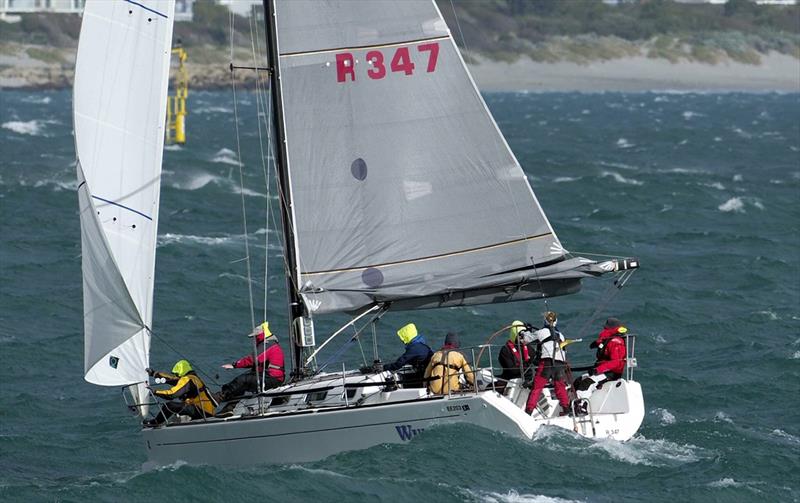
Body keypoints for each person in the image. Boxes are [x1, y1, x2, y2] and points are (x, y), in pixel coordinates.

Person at [219, 321, 285, 403]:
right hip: (271, 377)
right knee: (243, 380)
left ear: (260, 336)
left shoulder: (267, 345)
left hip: (273, 378)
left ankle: (220, 397)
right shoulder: (270, 344)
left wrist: (234, 365)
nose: (254, 339)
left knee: (243, 380)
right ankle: (231, 407)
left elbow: (253, 359)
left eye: (255, 337)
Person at [524, 311, 571, 416]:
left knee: (537, 387)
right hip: (560, 364)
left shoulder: (541, 332)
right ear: (556, 322)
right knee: (560, 387)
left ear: (545, 321)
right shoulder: (561, 336)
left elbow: (525, 340)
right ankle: (566, 409)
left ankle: (528, 411)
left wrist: (527, 330)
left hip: (547, 363)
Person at [144, 360, 217, 426]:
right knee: (179, 406)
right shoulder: (193, 378)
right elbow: (171, 379)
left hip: (201, 410)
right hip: (207, 411)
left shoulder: (186, 379)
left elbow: (172, 394)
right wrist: (154, 373)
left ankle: (155, 422)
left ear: (181, 372)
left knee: (170, 406)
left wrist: (155, 392)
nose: (176, 376)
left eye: (177, 374)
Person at [574, 317, 628, 404]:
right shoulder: (609, 338)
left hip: (610, 373)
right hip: (601, 370)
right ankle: (573, 403)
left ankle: (582, 407)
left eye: (606, 328)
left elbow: (616, 362)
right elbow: (603, 343)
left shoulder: (616, 342)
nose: (604, 329)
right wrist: (597, 343)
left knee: (586, 384)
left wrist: (598, 370)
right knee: (578, 381)